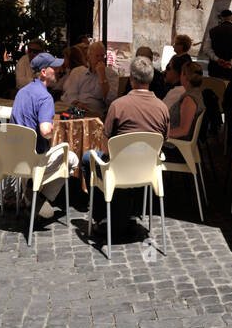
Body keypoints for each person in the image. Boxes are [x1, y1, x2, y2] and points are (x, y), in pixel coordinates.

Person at [84, 55, 171, 236]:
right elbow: (164, 140)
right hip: (147, 170)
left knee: (87, 158)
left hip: (119, 170)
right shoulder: (163, 108)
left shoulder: (118, 105)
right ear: (151, 79)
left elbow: (106, 145)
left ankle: (101, 217)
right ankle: (126, 212)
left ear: (131, 79)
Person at [10, 51, 77, 214]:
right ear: (44, 72)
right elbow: (45, 131)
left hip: (15, 157)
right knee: (71, 158)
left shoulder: (21, 92)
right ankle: (38, 197)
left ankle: (32, 191)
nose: (59, 70)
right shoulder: (45, 98)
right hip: (35, 158)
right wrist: (54, 127)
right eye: (55, 68)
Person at [60, 40, 118, 114]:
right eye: (97, 56)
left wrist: (102, 77)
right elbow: (70, 94)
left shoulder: (111, 74)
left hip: (94, 112)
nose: (100, 59)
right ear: (89, 57)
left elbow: (110, 100)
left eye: (102, 56)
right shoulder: (78, 72)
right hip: (75, 108)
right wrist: (77, 104)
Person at [167, 60, 205, 143]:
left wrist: (160, 134)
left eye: (181, 73)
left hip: (174, 143)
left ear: (185, 76)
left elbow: (183, 130)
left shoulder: (189, 99)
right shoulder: (196, 92)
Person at [205, 8, 232, 79]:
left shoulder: (212, 31)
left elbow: (207, 49)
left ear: (221, 18)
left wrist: (217, 59)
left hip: (215, 69)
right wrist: (231, 61)